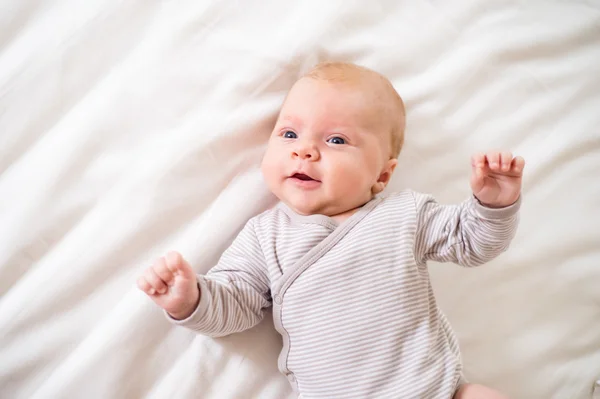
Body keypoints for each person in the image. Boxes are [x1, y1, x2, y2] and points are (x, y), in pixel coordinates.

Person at [137, 62, 524, 399]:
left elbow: (472, 242)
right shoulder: (266, 236)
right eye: (289, 134)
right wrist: (192, 300)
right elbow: (236, 304)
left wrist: (493, 205)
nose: (305, 151)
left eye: (336, 140)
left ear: (382, 175)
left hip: (433, 389)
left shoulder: (405, 215)